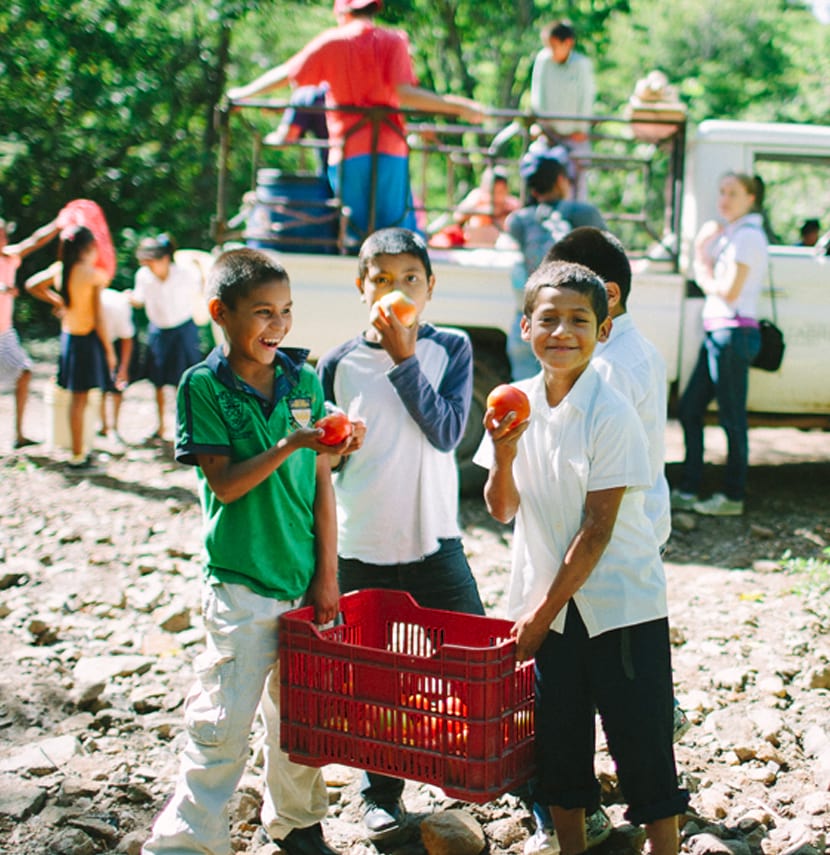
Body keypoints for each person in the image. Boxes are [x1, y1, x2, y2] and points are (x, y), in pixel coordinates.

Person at [474, 260, 689, 855]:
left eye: (579, 320)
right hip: (553, 602)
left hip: (619, 601)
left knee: (641, 738)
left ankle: (664, 847)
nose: (562, 332)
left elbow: (597, 530)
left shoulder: (611, 413)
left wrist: (537, 617)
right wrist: (503, 452)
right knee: (559, 742)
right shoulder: (514, 403)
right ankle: (572, 847)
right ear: (525, 327)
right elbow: (500, 507)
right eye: (549, 319)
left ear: (605, 330)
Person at [143, 248, 347, 855]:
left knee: (300, 716)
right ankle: (185, 840)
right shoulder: (202, 385)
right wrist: (290, 442)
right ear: (219, 313)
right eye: (262, 312)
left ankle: (297, 822)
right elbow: (226, 485)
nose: (278, 326)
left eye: (286, 312)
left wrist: (327, 576)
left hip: (301, 580)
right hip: (240, 584)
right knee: (223, 720)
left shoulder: (304, 379)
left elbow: (321, 481)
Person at [316, 227, 485, 844]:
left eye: (410, 278)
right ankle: (380, 795)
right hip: (361, 543)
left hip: (435, 541)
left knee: (476, 663)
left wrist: (404, 358)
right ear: (362, 287)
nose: (396, 289)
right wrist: (336, 448)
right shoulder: (335, 363)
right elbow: (326, 465)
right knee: (373, 680)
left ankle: (519, 781)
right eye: (382, 279)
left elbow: (445, 433)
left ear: (431, 288)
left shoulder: (451, 349)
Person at [227, 0, 484, 243]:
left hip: (349, 152)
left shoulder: (331, 41)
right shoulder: (394, 40)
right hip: (389, 148)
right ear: (373, 10)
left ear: (341, 12)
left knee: (356, 232)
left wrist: (242, 94)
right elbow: (406, 93)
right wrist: (459, 106)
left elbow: (288, 73)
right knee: (396, 231)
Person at [672, 173, 768, 517]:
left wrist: (701, 261)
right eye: (721, 191)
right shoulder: (734, 235)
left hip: (733, 333)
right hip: (720, 333)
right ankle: (690, 486)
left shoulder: (747, 237)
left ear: (751, 198)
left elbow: (728, 291)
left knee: (731, 417)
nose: (724, 199)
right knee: (690, 409)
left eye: (733, 193)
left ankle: (732, 496)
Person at [502, 147, 605, 380]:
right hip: (571, 329)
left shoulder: (519, 220)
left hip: (528, 323)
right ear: (561, 179)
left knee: (527, 400)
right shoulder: (584, 215)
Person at [25, 226, 116, 467]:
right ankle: (77, 456)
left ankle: (79, 451)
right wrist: (109, 351)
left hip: (69, 339)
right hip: (86, 342)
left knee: (77, 398)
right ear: (89, 248)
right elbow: (99, 319)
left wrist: (60, 301)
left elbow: (31, 284)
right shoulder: (93, 275)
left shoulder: (60, 270)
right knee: (80, 400)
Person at [130, 234, 203, 442]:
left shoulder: (186, 274)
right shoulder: (143, 276)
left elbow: (203, 290)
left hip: (184, 330)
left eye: (150, 261)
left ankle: (189, 427)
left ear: (164, 259)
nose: (148, 266)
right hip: (159, 331)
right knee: (159, 381)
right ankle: (161, 427)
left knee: (186, 380)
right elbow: (139, 299)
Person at [0, 216, 53, 449]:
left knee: (25, 372)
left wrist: (59, 223)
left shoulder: (10, 257)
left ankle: (19, 435)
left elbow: (34, 241)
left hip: (5, 333)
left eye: (3, 235)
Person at [530, 20, 595, 200]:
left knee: (578, 177)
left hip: (574, 135)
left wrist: (581, 128)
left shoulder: (582, 65)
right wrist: (541, 124)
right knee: (537, 167)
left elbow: (586, 98)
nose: (551, 51)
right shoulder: (543, 60)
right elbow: (538, 94)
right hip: (549, 133)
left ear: (568, 43)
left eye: (554, 46)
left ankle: (577, 216)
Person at [264, 83, 331, 175]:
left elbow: (283, 140)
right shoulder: (334, 88)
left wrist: (265, 138)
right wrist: (288, 109)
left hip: (332, 171)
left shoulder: (303, 95)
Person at [98, 286, 136, 442]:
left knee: (117, 386)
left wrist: (123, 368)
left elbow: (127, 339)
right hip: (93, 342)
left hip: (116, 341)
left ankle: (114, 426)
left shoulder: (119, 307)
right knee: (98, 386)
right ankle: (103, 426)